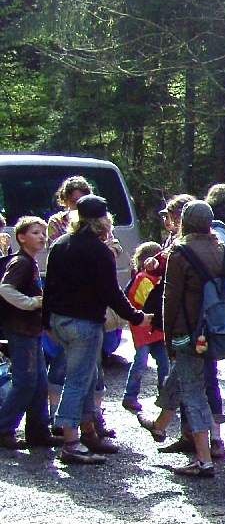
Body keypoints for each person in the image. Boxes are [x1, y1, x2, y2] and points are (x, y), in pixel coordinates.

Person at [42, 195, 149, 464]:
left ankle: (88, 432)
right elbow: (111, 292)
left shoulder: (60, 245)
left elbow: (49, 286)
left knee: (88, 376)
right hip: (84, 323)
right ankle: (70, 442)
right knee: (77, 380)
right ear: (104, 221)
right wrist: (135, 316)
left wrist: (46, 322)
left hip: (59, 320)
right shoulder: (99, 251)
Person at [137, 201, 225, 476]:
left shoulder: (180, 252)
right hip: (218, 328)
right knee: (183, 374)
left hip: (189, 331)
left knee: (193, 389)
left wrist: (168, 338)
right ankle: (160, 424)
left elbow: (170, 298)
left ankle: (203, 460)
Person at [0, 217, 60, 450]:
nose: (42, 237)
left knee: (39, 382)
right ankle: (4, 429)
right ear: (21, 238)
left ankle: (38, 432)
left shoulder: (31, 262)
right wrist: (31, 303)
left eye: (43, 233)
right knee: (25, 382)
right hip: (20, 329)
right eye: (35, 233)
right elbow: (5, 288)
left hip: (32, 329)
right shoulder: (21, 263)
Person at [121, 242, 171, 412]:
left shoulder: (153, 277)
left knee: (164, 362)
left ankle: (165, 395)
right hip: (143, 327)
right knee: (140, 362)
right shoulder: (143, 278)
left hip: (155, 328)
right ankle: (130, 396)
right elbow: (145, 302)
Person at [46, 176, 92, 242]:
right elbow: (54, 246)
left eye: (82, 201)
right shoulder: (57, 222)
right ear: (65, 200)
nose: (78, 206)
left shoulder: (98, 219)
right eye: (74, 201)